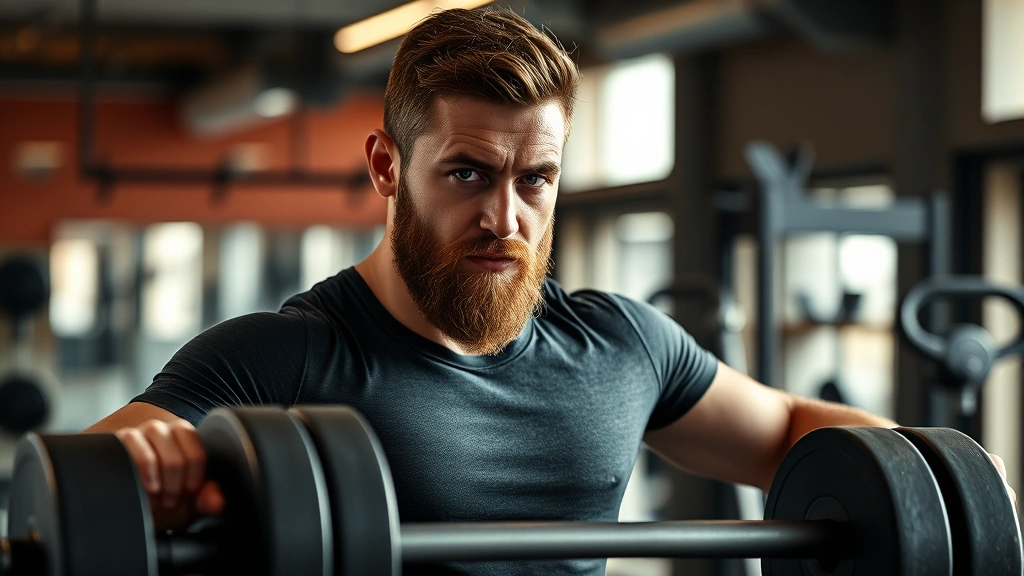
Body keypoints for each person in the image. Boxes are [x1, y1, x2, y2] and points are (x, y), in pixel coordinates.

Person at [86, 7, 1016, 576]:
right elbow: (85, 477)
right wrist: (154, 457)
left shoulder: (623, 346)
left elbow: (784, 435)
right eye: (466, 175)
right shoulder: (275, 359)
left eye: (535, 178)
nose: (506, 216)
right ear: (385, 166)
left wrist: (944, 481)